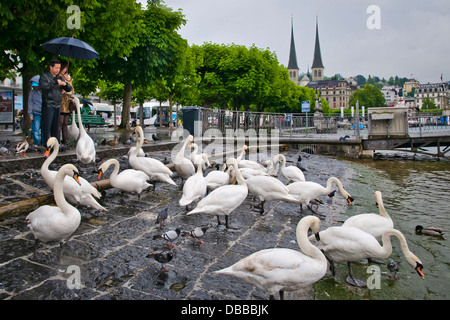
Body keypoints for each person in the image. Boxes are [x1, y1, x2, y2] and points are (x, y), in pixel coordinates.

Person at [39, 59, 72, 145]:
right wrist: (55, 82)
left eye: (59, 68)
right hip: (48, 105)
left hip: (58, 105)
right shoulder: (45, 77)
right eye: (56, 68)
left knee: (56, 127)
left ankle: (55, 145)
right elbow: (44, 86)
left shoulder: (60, 77)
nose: (58, 70)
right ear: (51, 67)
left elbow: (69, 88)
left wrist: (65, 84)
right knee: (47, 127)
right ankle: (46, 145)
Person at [58, 63, 74, 145]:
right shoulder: (59, 78)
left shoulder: (69, 81)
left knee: (65, 123)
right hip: (60, 104)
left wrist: (67, 92)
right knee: (60, 123)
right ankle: (58, 140)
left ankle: (65, 140)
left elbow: (71, 90)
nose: (66, 74)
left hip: (67, 105)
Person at [27, 75, 43, 146]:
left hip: (44, 113)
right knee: (36, 128)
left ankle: (43, 142)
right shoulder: (32, 92)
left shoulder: (43, 92)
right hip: (36, 113)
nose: (35, 87)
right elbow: (30, 103)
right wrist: (30, 114)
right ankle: (36, 143)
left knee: (43, 128)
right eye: (34, 86)